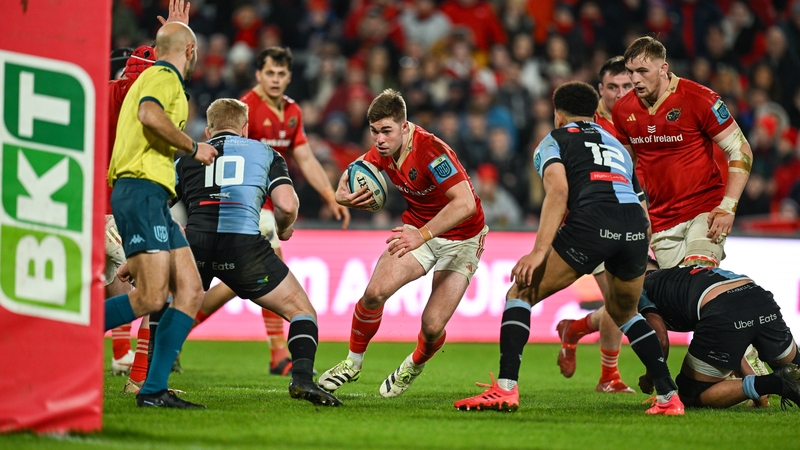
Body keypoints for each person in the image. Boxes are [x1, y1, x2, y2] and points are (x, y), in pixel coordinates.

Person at [453, 81, 683, 415]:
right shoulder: (619, 146)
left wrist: (538, 252)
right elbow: (643, 214)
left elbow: (558, 193)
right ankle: (668, 398)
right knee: (625, 312)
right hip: (634, 228)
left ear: (557, 115)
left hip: (591, 222)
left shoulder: (553, 140)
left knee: (520, 293)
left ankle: (504, 389)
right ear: (594, 113)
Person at [317, 89, 488, 398]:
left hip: (462, 237)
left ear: (404, 127)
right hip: (419, 229)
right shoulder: (382, 150)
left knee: (433, 326)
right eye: (374, 132)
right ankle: (352, 364)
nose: (380, 139)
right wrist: (340, 195)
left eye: (387, 131)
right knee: (373, 294)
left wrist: (420, 235)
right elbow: (356, 170)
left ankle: (414, 363)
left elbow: (465, 204)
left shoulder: (431, 152)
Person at [193, 47, 350, 377]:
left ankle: (182, 327)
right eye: (270, 73)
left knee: (235, 282)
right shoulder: (244, 109)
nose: (276, 79)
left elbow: (305, 158)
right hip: (243, 203)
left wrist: (328, 194)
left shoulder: (292, 111)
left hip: (268, 202)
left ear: (289, 77)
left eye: (281, 74)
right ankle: (279, 353)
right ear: (258, 75)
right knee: (271, 265)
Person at [174, 98, 342, 406]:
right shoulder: (265, 153)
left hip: (195, 243)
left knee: (168, 307)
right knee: (301, 311)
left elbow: (161, 202)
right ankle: (302, 379)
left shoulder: (187, 155)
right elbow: (287, 205)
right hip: (243, 247)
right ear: (245, 128)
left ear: (208, 129)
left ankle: (145, 378)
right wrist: (283, 228)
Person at [105, 21, 217, 409]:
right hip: (141, 190)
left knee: (190, 290)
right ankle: (67, 335)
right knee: (151, 297)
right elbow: (149, 115)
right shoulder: (164, 76)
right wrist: (193, 147)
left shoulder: (153, 77)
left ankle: (153, 390)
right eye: (195, 50)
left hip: (150, 194)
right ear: (189, 51)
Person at [612, 36, 753, 269]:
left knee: (696, 278)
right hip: (661, 220)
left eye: (642, 71)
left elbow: (740, 148)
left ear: (663, 68)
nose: (635, 79)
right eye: (630, 72)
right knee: (675, 298)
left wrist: (728, 207)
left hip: (704, 210)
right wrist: (637, 209)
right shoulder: (622, 110)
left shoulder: (700, 98)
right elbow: (626, 168)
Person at [556, 56, 636, 394]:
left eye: (626, 86)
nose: (620, 93)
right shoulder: (586, 124)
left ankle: (575, 329)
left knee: (625, 301)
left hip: (632, 214)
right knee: (620, 300)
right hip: (591, 218)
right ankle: (609, 376)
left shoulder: (638, 119)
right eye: (613, 87)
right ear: (599, 90)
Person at [637, 258, 800, 409]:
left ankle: (776, 382)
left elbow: (660, 340)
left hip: (722, 309)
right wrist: (759, 396)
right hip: (760, 298)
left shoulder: (640, 288)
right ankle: (772, 383)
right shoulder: (681, 277)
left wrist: (650, 378)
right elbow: (730, 341)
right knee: (795, 368)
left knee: (691, 395)